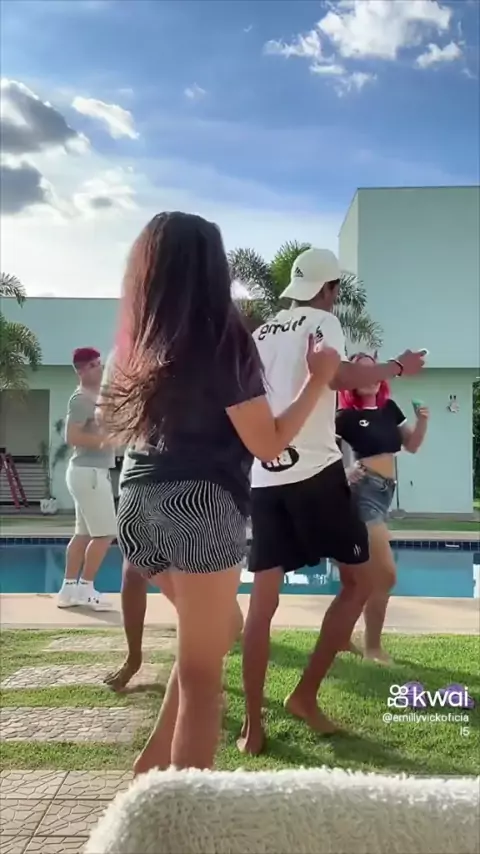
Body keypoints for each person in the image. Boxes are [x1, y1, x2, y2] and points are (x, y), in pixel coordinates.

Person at [97, 212, 341, 773]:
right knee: (203, 683)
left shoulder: (135, 344)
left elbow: (117, 426)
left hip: (136, 506)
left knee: (219, 630)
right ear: (213, 267)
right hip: (200, 508)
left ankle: (150, 767)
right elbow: (268, 443)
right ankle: (182, 811)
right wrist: (317, 381)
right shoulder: (220, 338)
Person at [238, 247, 426, 755]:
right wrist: (399, 366)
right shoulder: (323, 321)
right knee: (360, 582)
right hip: (316, 473)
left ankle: (252, 726)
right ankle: (303, 696)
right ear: (329, 289)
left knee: (262, 605)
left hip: (265, 475)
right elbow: (338, 376)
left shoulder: (261, 333)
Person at [336, 353, 429, 663]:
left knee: (359, 580)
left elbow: (412, 445)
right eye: (362, 372)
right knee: (385, 575)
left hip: (386, 492)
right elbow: (322, 454)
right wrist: (345, 472)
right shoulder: (345, 417)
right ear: (352, 381)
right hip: (363, 494)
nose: (372, 376)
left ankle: (339, 638)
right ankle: (373, 648)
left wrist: (423, 421)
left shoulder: (390, 409)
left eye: (375, 371)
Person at [57, 347, 116, 610]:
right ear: (81, 370)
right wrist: (106, 440)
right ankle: (86, 589)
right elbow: (72, 436)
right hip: (89, 473)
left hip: (88, 472)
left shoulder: (96, 397)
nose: (100, 368)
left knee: (82, 535)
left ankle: (68, 591)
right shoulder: (81, 399)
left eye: (99, 363)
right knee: (105, 534)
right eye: (94, 365)